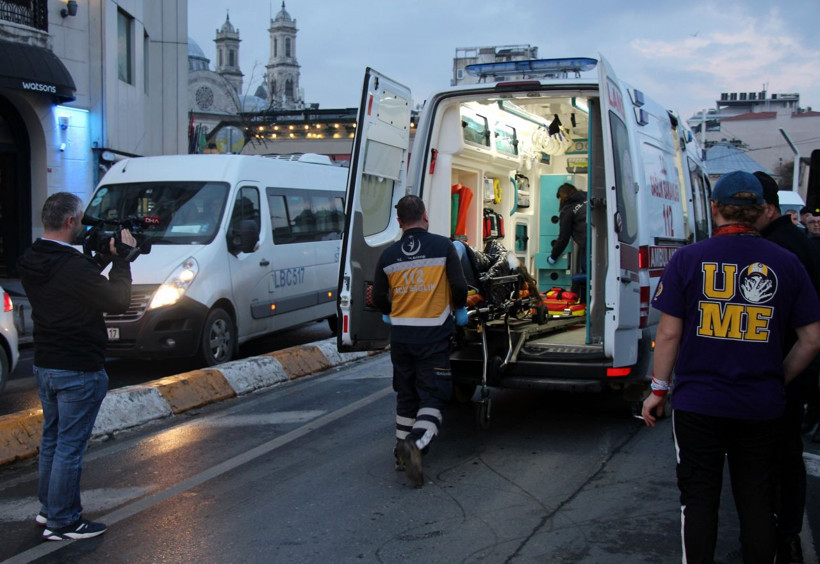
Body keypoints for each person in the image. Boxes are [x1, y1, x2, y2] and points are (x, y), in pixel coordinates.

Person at [641, 171, 820, 564]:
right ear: (760, 211)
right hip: (761, 404)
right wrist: (778, 379)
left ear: (715, 208)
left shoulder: (687, 259)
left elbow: (668, 336)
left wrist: (657, 390)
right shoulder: (787, 262)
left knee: (698, 499)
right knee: (756, 500)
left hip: (698, 404)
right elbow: (812, 340)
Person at [17, 192, 135, 541]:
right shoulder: (71, 267)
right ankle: (64, 521)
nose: (84, 225)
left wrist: (102, 257)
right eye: (81, 219)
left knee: (53, 441)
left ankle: (48, 510)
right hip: (78, 368)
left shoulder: (33, 257)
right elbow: (118, 300)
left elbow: (72, 277)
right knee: (70, 447)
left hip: (46, 364)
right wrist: (123, 261)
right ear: (70, 221)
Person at [373, 195, 468, 487]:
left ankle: (400, 455)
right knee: (434, 396)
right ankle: (414, 444)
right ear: (425, 216)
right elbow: (459, 286)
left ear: (399, 223)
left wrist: (390, 313)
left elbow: (377, 298)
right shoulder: (444, 247)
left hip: (401, 339)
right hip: (433, 338)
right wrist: (460, 308)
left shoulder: (388, 256)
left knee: (406, 395)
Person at [754, 171, 820, 562]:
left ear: (766, 208)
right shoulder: (795, 241)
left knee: (775, 458)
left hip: (786, 370)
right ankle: (786, 533)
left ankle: (780, 535)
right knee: (786, 455)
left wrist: (775, 377)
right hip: (798, 368)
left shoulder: (779, 248)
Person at [547, 183, 587, 301]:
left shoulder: (568, 210)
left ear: (562, 196)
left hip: (588, 246)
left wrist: (553, 257)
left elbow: (563, 238)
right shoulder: (588, 197)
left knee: (586, 276)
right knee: (593, 274)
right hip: (602, 242)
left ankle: (581, 302)